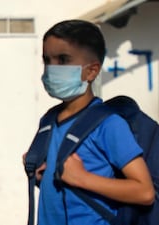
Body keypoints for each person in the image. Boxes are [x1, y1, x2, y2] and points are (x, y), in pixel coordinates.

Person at [24, 19, 155, 225]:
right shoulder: (49, 120)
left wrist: (82, 178)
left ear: (91, 71)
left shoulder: (109, 124)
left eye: (63, 60)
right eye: (47, 60)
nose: (52, 68)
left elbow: (144, 191)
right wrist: (44, 175)